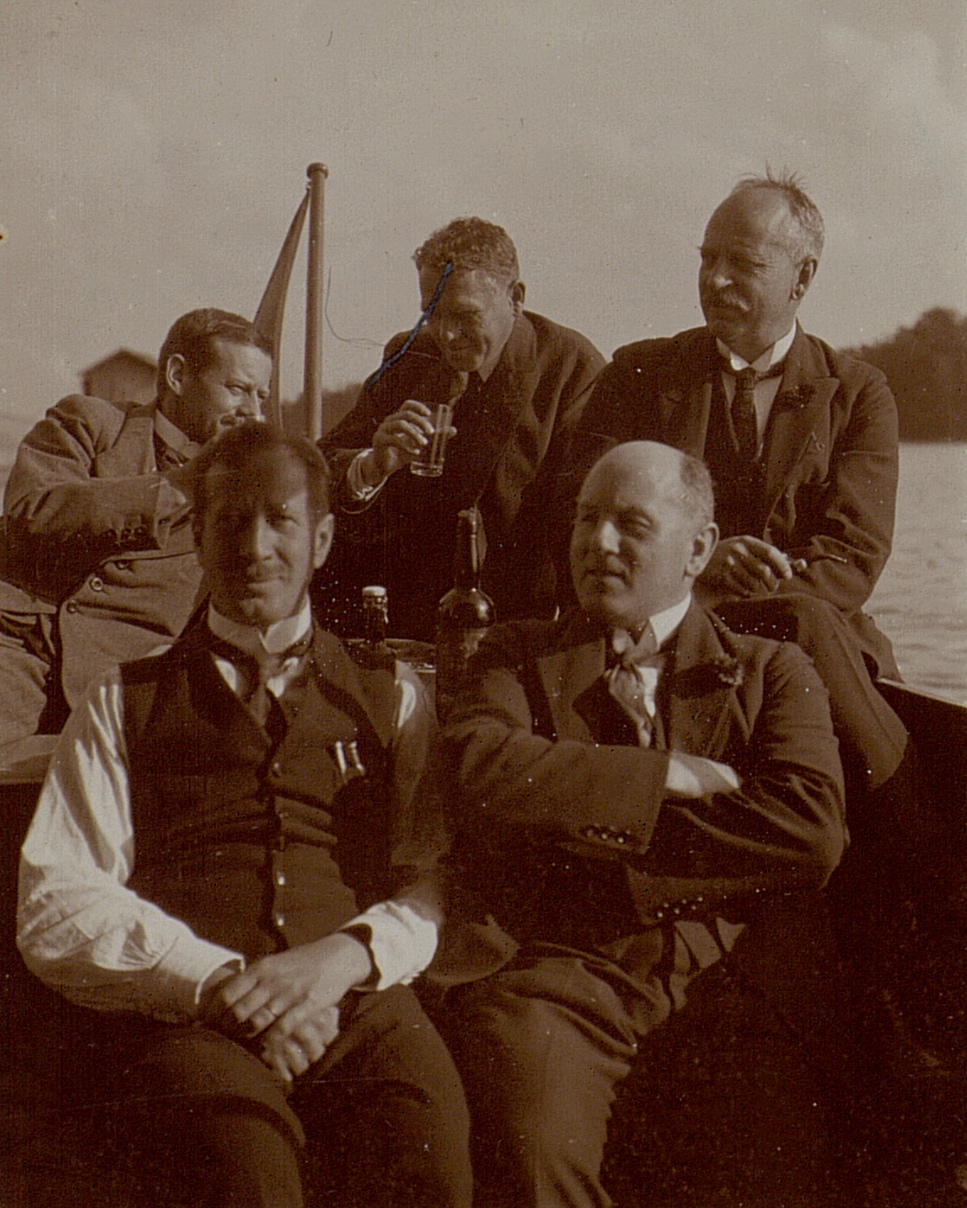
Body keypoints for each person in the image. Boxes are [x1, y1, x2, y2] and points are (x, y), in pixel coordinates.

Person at [16, 422, 472, 1208]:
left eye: (280, 520)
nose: (254, 546)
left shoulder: (391, 694)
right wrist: (222, 982)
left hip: (357, 1008)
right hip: (187, 1020)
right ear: (196, 534)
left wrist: (342, 960)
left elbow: (431, 878)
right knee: (243, 1160)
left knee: (425, 1140)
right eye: (229, 520)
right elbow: (57, 901)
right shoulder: (122, 700)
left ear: (323, 539)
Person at [433, 440, 847, 1208]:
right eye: (586, 518)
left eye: (629, 523)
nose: (598, 542)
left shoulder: (767, 669)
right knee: (533, 1146)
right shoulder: (515, 652)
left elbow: (809, 829)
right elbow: (478, 772)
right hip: (560, 973)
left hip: (728, 977)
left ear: (698, 549)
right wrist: (670, 778)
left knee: (777, 1166)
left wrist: (586, 821)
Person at [568, 171, 909, 800]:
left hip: (812, 655)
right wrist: (699, 566)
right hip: (664, 634)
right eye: (707, 259)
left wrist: (739, 599)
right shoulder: (638, 374)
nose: (714, 279)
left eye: (742, 263)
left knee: (811, 627)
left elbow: (852, 561)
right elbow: (581, 518)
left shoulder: (859, 394)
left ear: (802, 278)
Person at [0, 306, 274, 752]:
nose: (254, 413)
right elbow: (33, 510)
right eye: (238, 390)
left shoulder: (243, 486)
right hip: (19, 646)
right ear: (178, 376)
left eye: (262, 395)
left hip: (124, 678)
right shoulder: (89, 422)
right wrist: (176, 485)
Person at [317, 216, 604, 639]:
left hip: (508, 631)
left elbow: (581, 523)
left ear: (516, 298)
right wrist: (372, 466)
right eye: (431, 315)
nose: (446, 335)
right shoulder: (409, 355)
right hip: (396, 623)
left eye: (465, 316)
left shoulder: (572, 369)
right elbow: (317, 467)